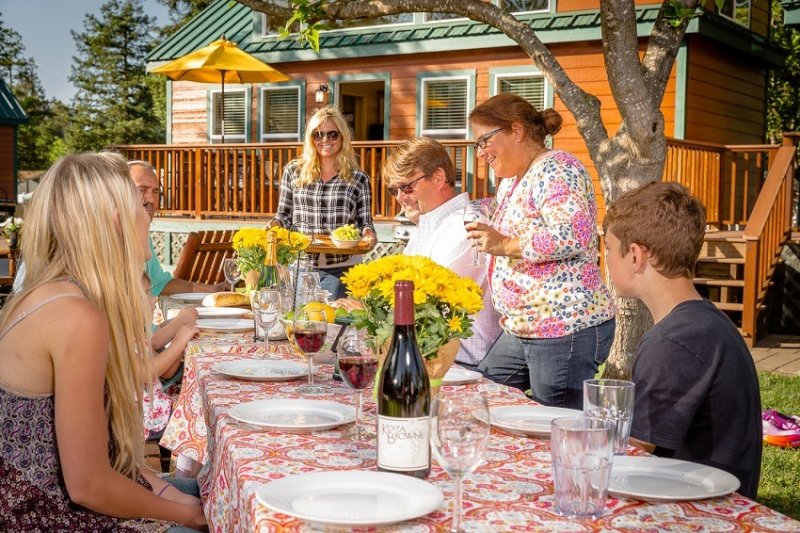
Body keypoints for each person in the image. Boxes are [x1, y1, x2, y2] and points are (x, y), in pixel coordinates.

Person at [0, 153, 206, 530]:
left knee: (209, 492)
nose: (149, 214)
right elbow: (89, 485)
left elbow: (104, 466)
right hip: (45, 517)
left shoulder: (53, 294)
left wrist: (173, 497)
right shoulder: (78, 317)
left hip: (48, 500)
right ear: (117, 220)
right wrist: (191, 514)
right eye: (140, 205)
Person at [603, 181, 762, 499]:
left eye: (608, 248)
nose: (605, 258)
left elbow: (632, 453)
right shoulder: (702, 322)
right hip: (705, 494)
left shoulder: (672, 343)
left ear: (635, 256)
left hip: (698, 509)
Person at [466, 93, 616, 409]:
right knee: (486, 402)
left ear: (516, 131)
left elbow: (573, 233)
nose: (480, 154)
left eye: (483, 142)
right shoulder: (513, 179)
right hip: (524, 324)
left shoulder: (557, 167)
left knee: (556, 425)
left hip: (563, 324)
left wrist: (505, 245)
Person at [382, 137, 502, 370]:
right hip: (430, 353)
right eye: (393, 190)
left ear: (438, 177)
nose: (399, 197)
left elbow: (422, 299)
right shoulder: (430, 223)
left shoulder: (466, 225)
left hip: (461, 363)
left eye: (406, 187)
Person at [269, 106, 377, 300]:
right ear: (311, 139)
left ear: (342, 136)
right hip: (300, 267)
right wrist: (274, 225)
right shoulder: (293, 172)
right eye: (318, 135)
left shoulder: (358, 178)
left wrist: (369, 233)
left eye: (332, 134)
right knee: (299, 324)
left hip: (342, 269)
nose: (325, 140)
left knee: (334, 326)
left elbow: (365, 223)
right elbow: (284, 215)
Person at [129, 160, 225, 297]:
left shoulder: (143, 233)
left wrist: (213, 290)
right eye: (142, 190)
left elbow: (160, 284)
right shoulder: (107, 236)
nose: (150, 198)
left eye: (155, 191)